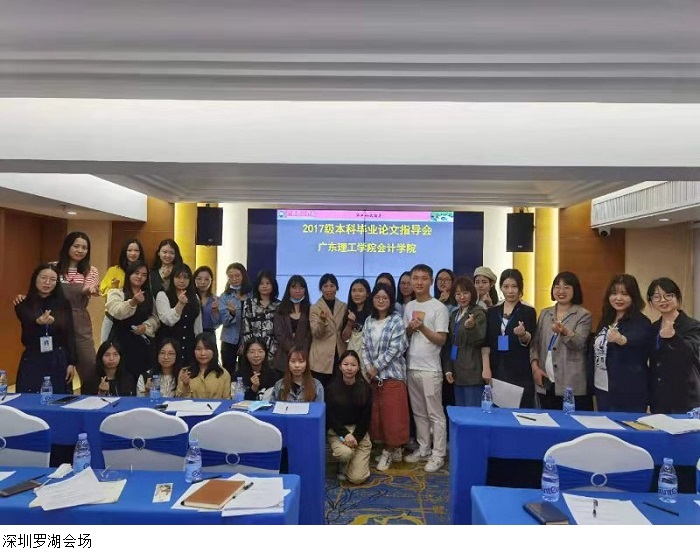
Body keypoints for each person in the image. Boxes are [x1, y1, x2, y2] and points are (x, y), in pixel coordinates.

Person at [403, 264, 450, 473]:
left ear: (431, 281)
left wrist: (422, 327)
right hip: (411, 366)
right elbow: (405, 336)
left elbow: (441, 339)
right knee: (419, 412)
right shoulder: (409, 306)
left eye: (424, 278)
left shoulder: (438, 307)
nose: (419, 282)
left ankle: (438, 454)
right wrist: (410, 329)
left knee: (435, 414)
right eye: (415, 278)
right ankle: (423, 448)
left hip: (430, 370)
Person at [362, 282, 409, 472]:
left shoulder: (396, 320)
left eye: (385, 298)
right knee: (378, 417)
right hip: (373, 378)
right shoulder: (369, 321)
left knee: (393, 418)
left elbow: (396, 349)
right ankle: (392, 449)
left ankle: (389, 451)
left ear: (391, 300)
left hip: (392, 376)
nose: (381, 301)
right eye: (377, 297)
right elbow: (364, 347)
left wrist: (376, 367)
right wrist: (368, 368)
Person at [530, 271, 593, 410]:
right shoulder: (545, 313)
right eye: (557, 287)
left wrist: (564, 331)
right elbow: (535, 344)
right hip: (545, 380)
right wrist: (535, 369)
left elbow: (579, 343)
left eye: (566, 287)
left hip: (571, 383)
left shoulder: (583, 315)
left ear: (575, 290)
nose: (561, 291)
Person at [593, 274, 652, 412]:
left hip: (628, 389)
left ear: (633, 297)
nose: (618, 298)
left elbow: (637, 339)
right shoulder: (606, 319)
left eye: (624, 294)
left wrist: (621, 339)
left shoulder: (641, 321)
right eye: (614, 293)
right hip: (602, 386)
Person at [14, 264, 76, 394]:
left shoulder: (63, 304)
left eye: (53, 279)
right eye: (43, 278)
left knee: (59, 398)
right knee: (29, 398)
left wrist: (71, 362)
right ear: (35, 278)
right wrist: (37, 322)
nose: (47, 282)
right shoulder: (23, 304)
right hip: (33, 357)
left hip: (58, 358)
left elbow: (69, 333)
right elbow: (27, 323)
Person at [481, 269, 537, 408]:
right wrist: (486, 368)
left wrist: (522, 334)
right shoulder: (492, 311)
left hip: (520, 370)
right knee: (497, 412)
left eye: (514, 286)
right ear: (500, 288)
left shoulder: (528, 311)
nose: (510, 291)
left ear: (520, 288)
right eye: (506, 287)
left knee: (520, 412)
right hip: (496, 368)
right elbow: (486, 342)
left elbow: (529, 340)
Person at [55, 231, 100, 395]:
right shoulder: (53, 267)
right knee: (58, 364)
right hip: (56, 320)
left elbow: (88, 287)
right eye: (76, 246)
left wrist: (91, 290)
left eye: (84, 248)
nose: (80, 250)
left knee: (89, 365)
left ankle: (89, 401)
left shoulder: (91, 270)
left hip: (80, 320)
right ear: (67, 246)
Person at [647, 278, 700, 413]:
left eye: (668, 295)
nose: (663, 300)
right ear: (651, 301)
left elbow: (692, 354)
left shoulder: (693, 326)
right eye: (657, 297)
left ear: (677, 297)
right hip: (659, 398)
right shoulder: (653, 327)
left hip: (685, 396)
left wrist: (674, 338)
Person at [105, 261, 160, 382]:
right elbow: (117, 312)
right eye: (136, 273)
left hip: (142, 344)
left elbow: (155, 318)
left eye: (144, 275)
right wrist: (133, 302)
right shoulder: (116, 292)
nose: (140, 277)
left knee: (142, 380)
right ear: (129, 274)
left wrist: (145, 326)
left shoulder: (149, 296)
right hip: (120, 342)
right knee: (121, 378)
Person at [326, 350, 372, 484]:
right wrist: (345, 434)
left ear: (358, 367)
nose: (349, 368)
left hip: (359, 434)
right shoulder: (331, 388)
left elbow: (366, 418)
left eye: (353, 365)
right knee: (345, 453)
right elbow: (331, 417)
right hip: (338, 433)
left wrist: (355, 437)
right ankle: (344, 461)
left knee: (357, 478)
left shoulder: (365, 388)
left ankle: (352, 463)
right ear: (340, 366)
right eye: (346, 364)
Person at [443, 276, 487, 407]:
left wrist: (472, 327)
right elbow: (448, 344)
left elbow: (481, 339)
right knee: (460, 413)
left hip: (472, 372)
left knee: (473, 414)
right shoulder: (454, 314)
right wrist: (448, 369)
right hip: (456, 371)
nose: (462, 297)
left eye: (465, 293)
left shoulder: (478, 313)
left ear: (472, 293)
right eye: (458, 294)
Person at [155, 263, 202, 367]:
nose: (182, 281)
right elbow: (167, 320)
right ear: (172, 278)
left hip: (190, 345)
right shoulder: (162, 295)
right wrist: (180, 304)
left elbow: (198, 325)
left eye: (185, 277)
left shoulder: (195, 297)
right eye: (178, 277)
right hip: (169, 346)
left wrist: (199, 344)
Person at [99, 238, 145, 342]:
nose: (133, 253)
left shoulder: (144, 272)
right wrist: (114, 286)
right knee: (107, 346)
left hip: (136, 317)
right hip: (113, 316)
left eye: (136, 250)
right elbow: (103, 291)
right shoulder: (114, 270)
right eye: (129, 250)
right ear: (125, 252)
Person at [309, 273, 347, 387]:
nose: (329, 289)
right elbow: (316, 333)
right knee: (320, 391)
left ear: (337, 288)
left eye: (332, 286)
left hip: (339, 355)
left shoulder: (344, 306)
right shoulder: (315, 308)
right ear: (321, 289)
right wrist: (322, 320)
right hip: (321, 357)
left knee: (337, 391)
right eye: (325, 286)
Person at [219, 262, 252, 377]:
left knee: (246, 372)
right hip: (229, 340)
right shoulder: (225, 296)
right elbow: (224, 321)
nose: (234, 279)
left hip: (248, 340)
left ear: (243, 276)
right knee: (228, 372)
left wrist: (244, 343)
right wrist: (232, 314)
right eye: (231, 276)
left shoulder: (252, 295)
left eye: (237, 276)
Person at [273, 275, 311, 372]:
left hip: (303, 356)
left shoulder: (310, 310)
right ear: (288, 289)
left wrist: (300, 351)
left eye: (301, 288)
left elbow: (309, 334)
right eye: (294, 287)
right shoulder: (280, 309)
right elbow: (279, 333)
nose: (297, 291)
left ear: (305, 290)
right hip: (283, 356)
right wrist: (291, 349)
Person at [176, 333, 231, 399]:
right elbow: (179, 401)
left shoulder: (223, 374)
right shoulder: (184, 372)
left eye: (207, 349)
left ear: (214, 351)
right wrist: (185, 386)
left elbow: (227, 401)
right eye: (198, 349)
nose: (202, 353)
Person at [242, 270, 281, 364]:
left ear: (273, 285)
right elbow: (246, 329)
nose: (264, 286)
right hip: (253, 351)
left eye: (268, 283)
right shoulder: (249, 304)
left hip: (274, 351)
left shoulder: (279, 305)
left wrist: (272, 351)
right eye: (261, 283)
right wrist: (252, 350)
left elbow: (280, 331)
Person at [341, 278, 372, 376]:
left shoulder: (372, 313)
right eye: (354, 291)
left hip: (368, 356)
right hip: (352, 355)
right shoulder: (348, 311)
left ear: (367, 294)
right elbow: (344, 337)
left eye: (360, 291)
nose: (356, 294)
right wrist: (350, 322)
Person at [193, 266, 222, 335]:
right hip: (192, 334)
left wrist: (215, 311)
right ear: (194, 280)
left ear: (211, 281)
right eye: (199, 279)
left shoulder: (216, 300)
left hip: (209, 334)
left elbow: (218, 323)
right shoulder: (189, 298)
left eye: (206, 279)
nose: (202, 282)